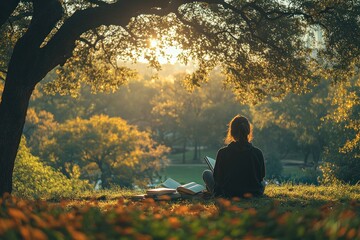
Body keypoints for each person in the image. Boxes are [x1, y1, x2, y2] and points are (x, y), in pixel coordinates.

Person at [203, 115, 266, 198]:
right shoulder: (257, 153)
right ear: (248, 131)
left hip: (228, 194)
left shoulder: (223, 153)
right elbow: (261, 176)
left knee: (206, 174)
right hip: (253, 193)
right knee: (264, 182)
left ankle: (211, 191)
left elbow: (218, 179)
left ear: (231, 132)